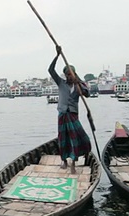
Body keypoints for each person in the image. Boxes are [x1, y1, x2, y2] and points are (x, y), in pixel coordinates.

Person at [48, 45, 90, 173]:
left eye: (71, 74)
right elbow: (50, 70)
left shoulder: (78, 85)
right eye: (67, 74)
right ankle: (65, 161)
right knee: (63, 138)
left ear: (74, 74)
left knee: (77, 138)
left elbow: (87, 94)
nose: (69, 77)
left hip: (73, 115)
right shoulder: (61, 83)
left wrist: (79, 83)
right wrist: (57, 55)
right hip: (62, 114)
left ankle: (73, 162)